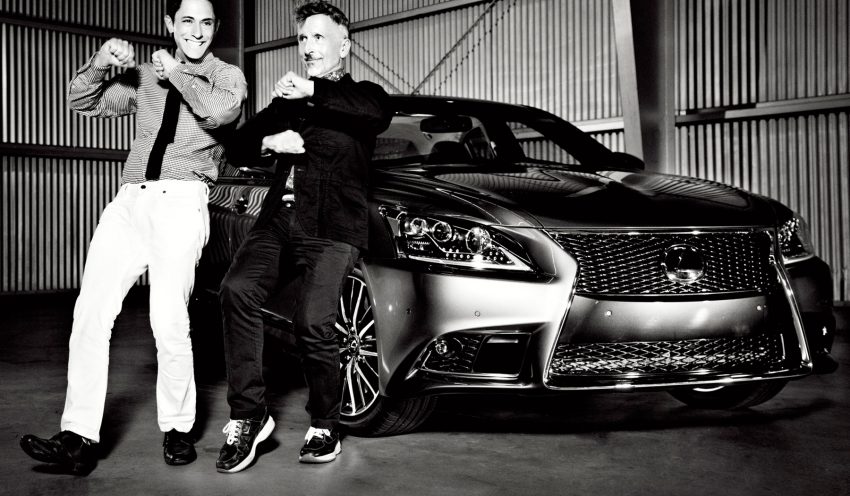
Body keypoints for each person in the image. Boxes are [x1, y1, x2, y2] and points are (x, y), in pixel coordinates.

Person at [19, 0, 247, 476]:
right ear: (170, 24)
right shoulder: (144, 77)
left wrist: (176, 73)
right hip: (129, 201)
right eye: (187, 21)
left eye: (206, 22)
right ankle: (78, 437)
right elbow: (82, 102)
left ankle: (178, 427)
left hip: (182, 200)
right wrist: (101, 62)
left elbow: (220, 115)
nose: (197, 31)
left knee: (168, 318)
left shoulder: (226, 75)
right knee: (90, 312)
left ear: (216, 27)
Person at [215, 0, 392, 472]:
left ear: (344, 46)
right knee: (237, 291)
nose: (308, 47)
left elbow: (375, 114)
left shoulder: (364, 96)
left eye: (318, 37)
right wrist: (270, 142)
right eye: (302, 38)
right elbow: (236, 145)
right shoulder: (285, 105)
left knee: (313, 322)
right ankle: (248, 416)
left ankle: (325, 424)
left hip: (332, 225)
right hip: (280, 219)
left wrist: (311, 90)